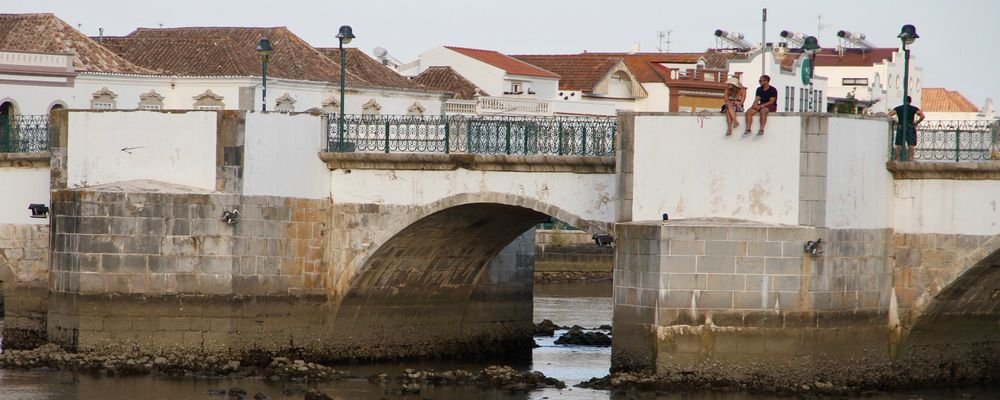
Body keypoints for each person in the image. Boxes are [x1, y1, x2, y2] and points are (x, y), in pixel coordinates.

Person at [887, 96, 925, 161]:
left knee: (898, 144)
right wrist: (917, 123)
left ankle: (897, 159)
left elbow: (889, 115)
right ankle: (910, 159)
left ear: (903, 101)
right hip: (910, 127)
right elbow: (922, 116)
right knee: (911, 144)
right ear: (910, 101)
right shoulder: (913, 108)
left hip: (900, 126)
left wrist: (896, 122)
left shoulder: (898, 108)